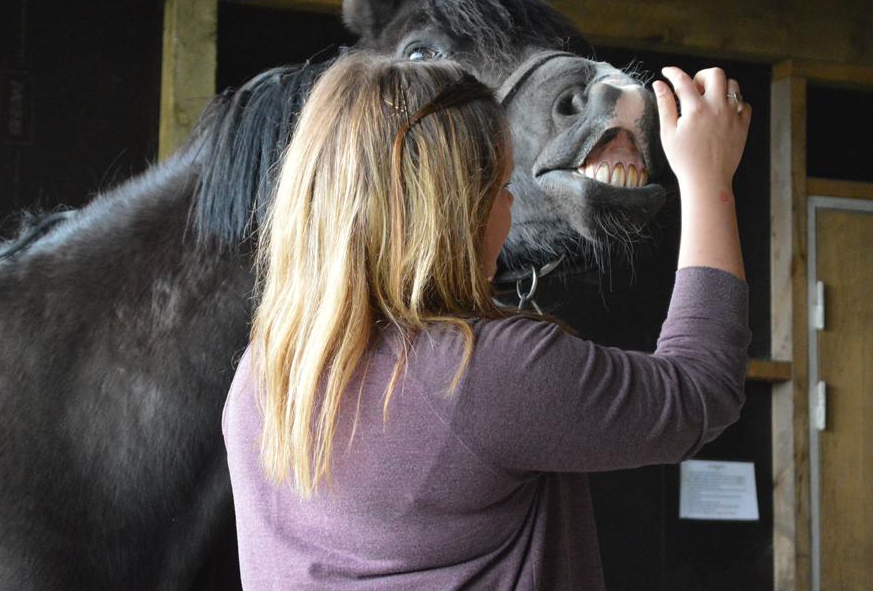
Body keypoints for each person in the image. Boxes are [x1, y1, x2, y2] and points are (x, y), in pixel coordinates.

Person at [222, 53, 753, 589]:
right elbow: (702, 390)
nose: (508, 207)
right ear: (456, 210)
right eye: (501, 187)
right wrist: (710, 180)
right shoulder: (482, 370)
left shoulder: (259, 376)